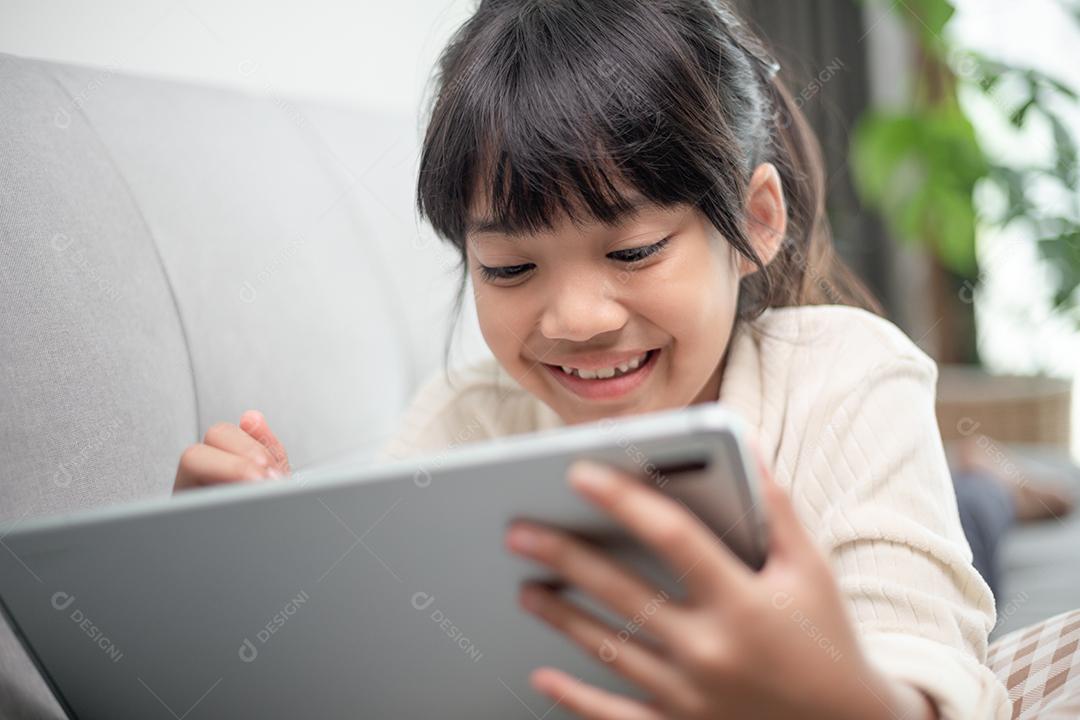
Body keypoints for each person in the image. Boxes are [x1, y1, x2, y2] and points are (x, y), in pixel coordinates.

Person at [172, 1, 1023, 718]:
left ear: (757, 222)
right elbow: (367, 658)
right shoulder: (461, 424)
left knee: (978, 515)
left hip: (888, 498)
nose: (575, 320)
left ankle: (987, 482)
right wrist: (228, 583)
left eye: (634, 252)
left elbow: (929, 666)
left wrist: (835, 696)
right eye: (510, 269)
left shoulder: (849, 376)